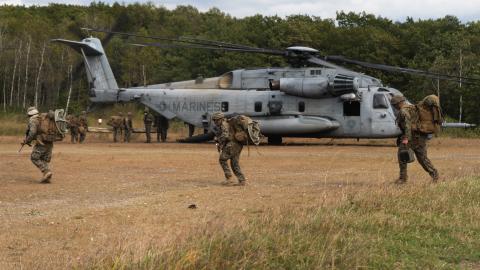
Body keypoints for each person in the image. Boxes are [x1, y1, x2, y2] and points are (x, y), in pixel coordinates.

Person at [390, 95, 439, 184]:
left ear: (397, 104)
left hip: (412, 138)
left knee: (402, 156)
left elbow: (407, 125)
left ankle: (402, 179)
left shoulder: (403, 111)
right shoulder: (412, 107)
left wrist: (406, 139)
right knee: (422, 159)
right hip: (420, 137)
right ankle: (434, 174)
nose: (394, 107)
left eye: (394, 105)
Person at [212, 112, 246, 186]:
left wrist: (218, 139)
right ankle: (241, 180)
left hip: (232, 144)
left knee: (222, 159)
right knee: (234, 163)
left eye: (216, 120)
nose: (215, 122)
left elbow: (225, 135)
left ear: (221, 119)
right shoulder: (227, 123)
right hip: (238, 145)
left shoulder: (224, 124)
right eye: (214, 120)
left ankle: (229, 179)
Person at [22, 107, 54, 183]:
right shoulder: (43, 119)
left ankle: (46, 171)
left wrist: (27, 140)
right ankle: (47, 177)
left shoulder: (33, 120)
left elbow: (32, 132)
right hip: (49, 141)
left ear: (30, 114)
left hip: (41, 142)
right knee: (43, 159)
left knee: (34, 157)